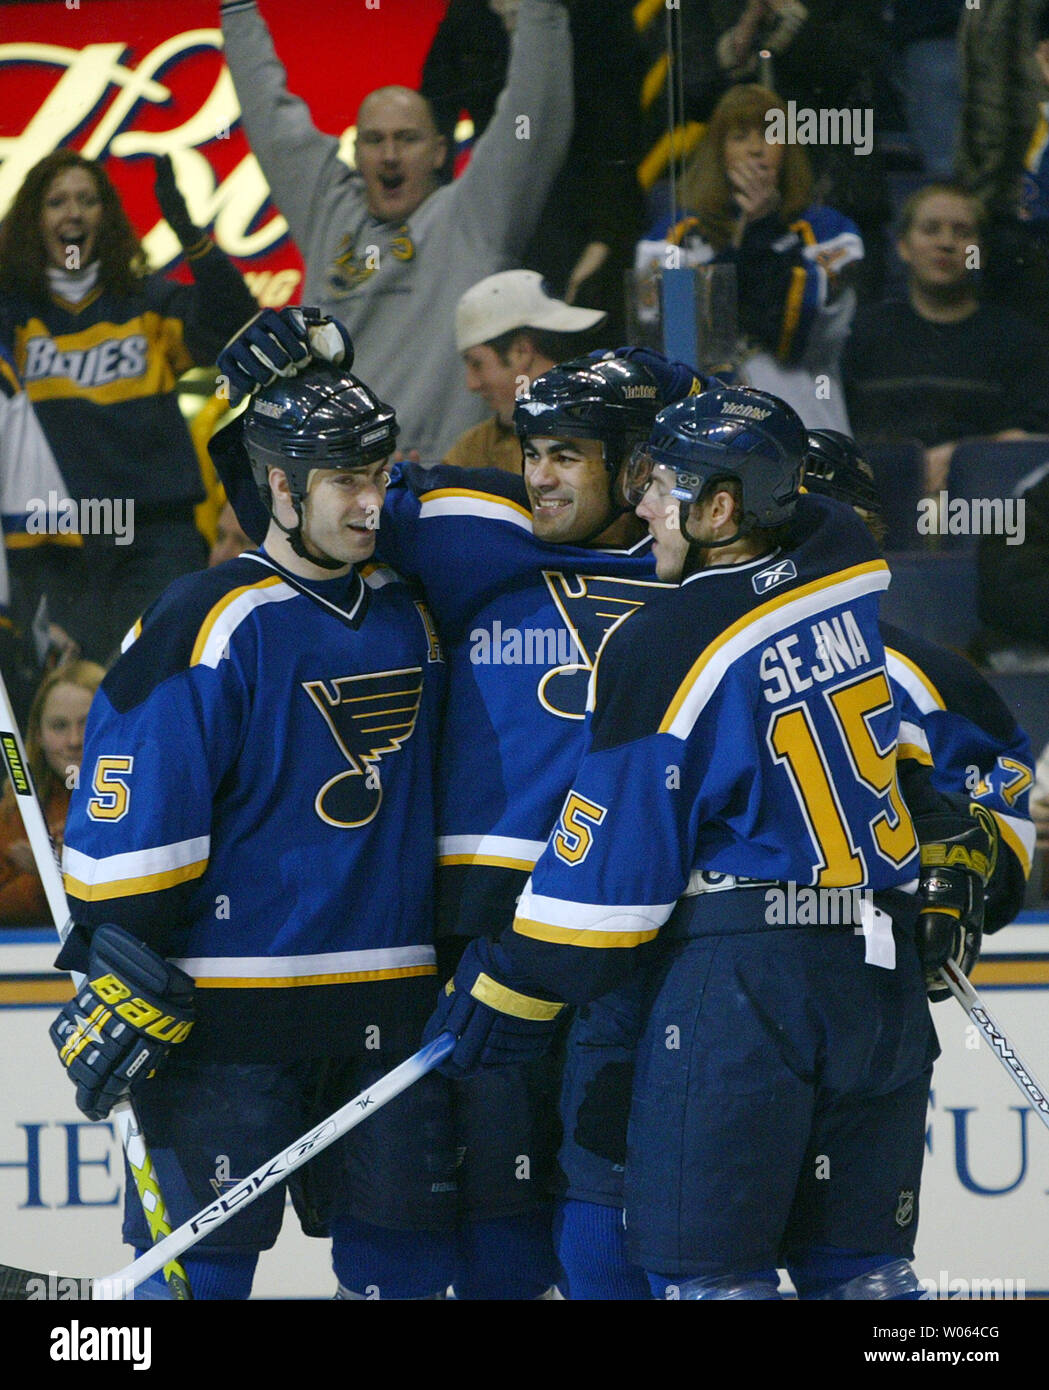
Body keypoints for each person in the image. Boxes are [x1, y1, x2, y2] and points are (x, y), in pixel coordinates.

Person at [216, 309, 706, 1298]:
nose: (540, 478)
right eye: (533, 452)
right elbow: (293, 520)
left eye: (567, 455)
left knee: (586, 1223)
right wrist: (250, 417)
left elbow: (830, 529)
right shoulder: (470, 526)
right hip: (468, 942)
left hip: (638, 948)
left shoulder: (705, 567)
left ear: (639, 463)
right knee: (445, 1198)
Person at [427, 386, 951, 1300]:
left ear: (721, 511)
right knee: (864, 1275)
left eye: (665, 489)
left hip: (748, 987)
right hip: (877, 978)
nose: (641, 508)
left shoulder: (663, 638)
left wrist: (512, 978)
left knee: (711, 1277)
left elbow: (612, 884)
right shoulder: (843, 581)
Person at [49, 357, 457, 1300]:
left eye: (381, 475)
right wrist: (123, 956)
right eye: (348, 480)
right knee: (198, 1283)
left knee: (407, 1274)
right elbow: (127, 838)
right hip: (227, 1025)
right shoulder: (209, 617)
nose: (372, 504)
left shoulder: (412, 609)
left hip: (394, 1018)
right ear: (279, 484)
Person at [220, 0, 573, 461]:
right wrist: (236, 9)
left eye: (408, 139)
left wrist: (540, 12)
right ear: (357, 151)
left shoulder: (474, 216)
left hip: (445, 490)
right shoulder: (328, 213)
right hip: (341, 485)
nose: (389, 155)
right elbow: (270, 115)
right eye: (374, 139)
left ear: (440, 151)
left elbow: (536, 113)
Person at [0, 150, 258, 663]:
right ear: (34, 220)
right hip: (63, 544)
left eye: (87, 200)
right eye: (56, 202)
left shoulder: (147, 302)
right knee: (74, 705)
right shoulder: (12, 316)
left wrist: (188, 230)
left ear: (108, 217)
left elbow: (236, 323)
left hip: (159, 535)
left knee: (159, 688)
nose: (72, 213)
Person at [635, 84, 863, 430]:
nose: (756, 150)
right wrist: (747, 248)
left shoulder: (830, 231)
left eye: (770, 134)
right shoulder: (672, 236)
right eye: (740, 136)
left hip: (805, 422)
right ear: (718, 151)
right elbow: (677, 342)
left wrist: (760, 232)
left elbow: (797, 332)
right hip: (702, 426)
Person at [842, 181, 1049, 494]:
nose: (946, 243)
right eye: (930, 229)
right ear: (903, 246)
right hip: (879, 503)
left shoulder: (1018, 341)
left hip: (984, 508)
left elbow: (1030, 446)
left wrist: (963, 457)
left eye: (963, 232)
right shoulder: (862, 333)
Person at [447, 269, 606, 472]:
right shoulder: (476, 448)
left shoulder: (604, 432)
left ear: (521, 351)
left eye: (477, 364)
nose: (471, 384)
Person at [0, 660, 104, 926]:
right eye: (59, 726)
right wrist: (43, 878)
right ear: (38, 735)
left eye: (88, 722)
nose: (74, 741)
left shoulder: (146, 805)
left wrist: (56, 873)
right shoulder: (16, 812)